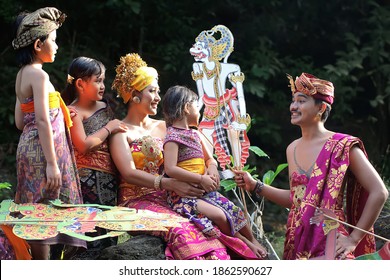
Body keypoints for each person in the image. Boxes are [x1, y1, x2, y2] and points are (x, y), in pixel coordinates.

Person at [109, 53, 260, 259]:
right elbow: (128, 173)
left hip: (176, 195)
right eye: (152, 91)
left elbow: (200, 150)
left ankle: (243, 249)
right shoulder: (121, 131)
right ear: (135, 94)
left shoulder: (167, 127)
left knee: (208, 221)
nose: (158, 98)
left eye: (158, 91)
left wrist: (210, 168)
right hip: (138, 199)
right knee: (182, 229)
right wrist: (168, 184)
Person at [234, 72, 389, 260]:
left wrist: (354, 239)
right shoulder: (292, 149)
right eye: (293, 101)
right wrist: (255, 186)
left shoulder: (342, 145)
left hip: (331, 238)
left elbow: (379, 191)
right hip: (297, 238)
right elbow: (297, 199)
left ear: (321, 107)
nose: (293, 106)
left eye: (301, 101)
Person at [12, 7, 85, 259]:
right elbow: (42, 120)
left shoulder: (22, 74)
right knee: (43, 208)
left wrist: (58, 114)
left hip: (27, 148)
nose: (56, 46)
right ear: (38, 43)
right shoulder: (39, 76)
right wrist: (52, 164)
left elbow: (21, 121)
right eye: (53, 41)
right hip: (44, 153)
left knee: (34, 206)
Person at [162, 85, 267, 259]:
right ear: (187, 107)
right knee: (219, 215)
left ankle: (252, 239)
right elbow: (170, 169)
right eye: (197, 106)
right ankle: (243, 242)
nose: (199, 111)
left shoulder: (195, 134)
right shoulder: (172, 136)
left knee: (234, 210)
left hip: (204, 191)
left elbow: (210, 159)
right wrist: (201, 178)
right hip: (184, 196)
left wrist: (211, 169)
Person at [62, 56, 128, 254]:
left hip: (110, 179)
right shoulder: (73, 111)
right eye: (97, 80)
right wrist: (109, 127)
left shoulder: (105, 106)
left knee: (109, 231)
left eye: (103, 80)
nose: (102, 85)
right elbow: (83, 145)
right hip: (86, 182)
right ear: (81, 84)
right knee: (90, 234)